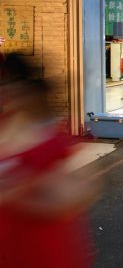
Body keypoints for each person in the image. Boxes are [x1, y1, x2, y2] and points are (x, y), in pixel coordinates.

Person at [0, 54, 99, 267]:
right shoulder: (7, 126)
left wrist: (18, 192)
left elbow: (80, 193)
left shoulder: (53, 140)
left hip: (44, 252)